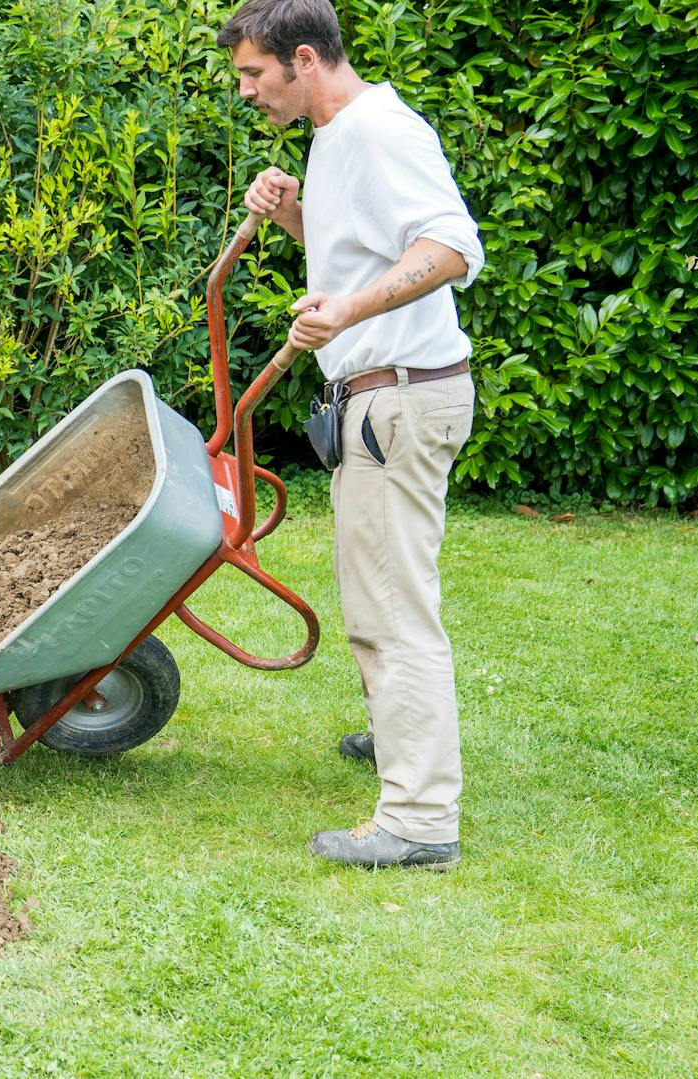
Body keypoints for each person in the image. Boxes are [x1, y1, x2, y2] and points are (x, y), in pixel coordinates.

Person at [217, 0, 484, 869]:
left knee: (390, 611)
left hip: (399, 398)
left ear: (303, 57)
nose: (249, 92)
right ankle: (397, 729)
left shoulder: (377, 131)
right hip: (385, 398)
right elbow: (361, 254)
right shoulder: (334, 139)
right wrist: (295, 211)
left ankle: (418, 819)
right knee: (383, 589)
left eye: (255, 75)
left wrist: (348, 313)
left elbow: (450, 248)